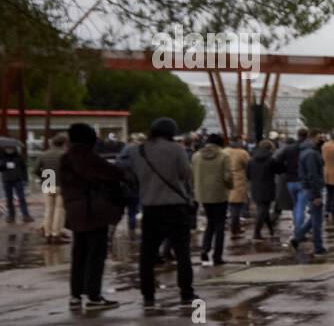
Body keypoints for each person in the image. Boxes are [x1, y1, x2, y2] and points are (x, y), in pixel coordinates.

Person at [126, 116, 198, 308]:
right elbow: (186, 175)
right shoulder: (176, 150)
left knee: (147, 254)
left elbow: (127, 173)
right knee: (182, 252)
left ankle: (148, 295)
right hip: (175, 206)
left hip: (150, 206)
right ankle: (186, 293)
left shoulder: (137, 151)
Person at [59, 123, 126, 310]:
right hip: (95, 211)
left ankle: (75, 295)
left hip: (74, 211)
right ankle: (94, 295)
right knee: (96, 254)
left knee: (78, 253)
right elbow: (117, 174)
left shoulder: (64, 158)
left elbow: (46, 174)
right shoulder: (90, 158)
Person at [192, 133, 233, 266]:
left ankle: (205, 249)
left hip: (203, 194)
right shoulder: (224, 156)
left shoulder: (197, 156)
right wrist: (230, 186)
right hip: (220, 193)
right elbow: (228, 176)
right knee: (220, 225)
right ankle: (217, 255)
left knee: (210, 223)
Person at [290, 132, 328, 255]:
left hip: (308, 187)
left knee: (314, 217)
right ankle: (318, 247)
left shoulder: (305, 152)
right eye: (320, 137)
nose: (322, 139)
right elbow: (313, 174)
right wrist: (317, 194)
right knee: (317, 219)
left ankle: (297, 238)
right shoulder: (311, 154)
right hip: (312, 189)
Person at [274, 127, 308, 235]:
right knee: (301, 207)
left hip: (290, 180)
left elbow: (276, 160)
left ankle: (296, 226)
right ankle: (298, 230)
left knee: (295, 206)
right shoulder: (308, 148)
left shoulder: (288, 149)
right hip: (303, 180)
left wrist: (283, 170)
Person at [36, 133, 69, 243]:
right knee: (59, 210)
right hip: (61, 185)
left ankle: (47, 233)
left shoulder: (43, 155)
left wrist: (43, 177)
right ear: (64, 144)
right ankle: (56, 234)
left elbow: (36, 170)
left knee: (48, 209)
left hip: (47, 183)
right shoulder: (65, 155)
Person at [246, 138, 282, 240]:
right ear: (270, 148)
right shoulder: (271, 160)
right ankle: (256, 232)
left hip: (255, 187)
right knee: (263, 210)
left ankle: (271, 229)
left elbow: (247, 175)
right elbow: (279, 170)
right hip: (268, 187)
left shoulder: (251, 160)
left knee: (262, 209)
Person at [1, 137, 32, 222]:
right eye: (8, 148)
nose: (9, 149)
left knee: (21, 198)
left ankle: (25, 215)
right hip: (7, 180)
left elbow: (24, 169)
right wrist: (5, 164)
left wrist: (25, 179)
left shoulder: (19, 157)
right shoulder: (2, 157)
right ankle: (11, 216)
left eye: (11, 148)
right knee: (9, 198)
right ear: (5, 148)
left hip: (18, 179)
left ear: (14, 148)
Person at [225, 138, 250, 236]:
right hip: (238, 181)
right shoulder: (242, 153)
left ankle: (235, 225)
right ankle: (235, 227)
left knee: (230, 205)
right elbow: (248, 165)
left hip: (225, 180)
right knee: (236, 206)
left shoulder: (224, 152)